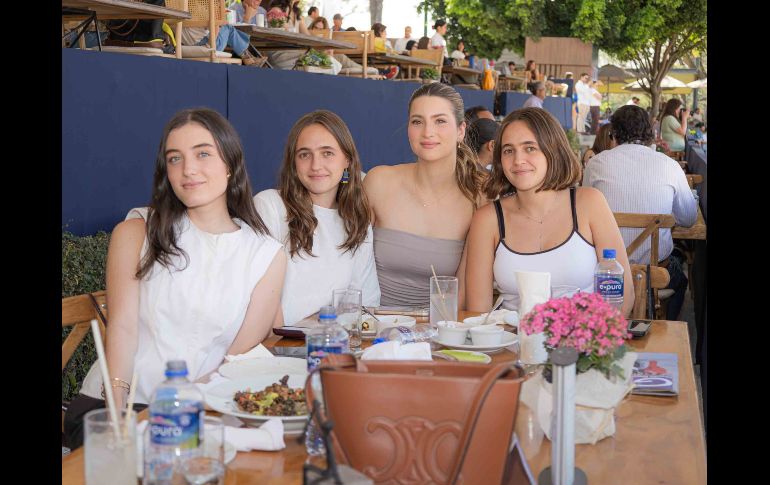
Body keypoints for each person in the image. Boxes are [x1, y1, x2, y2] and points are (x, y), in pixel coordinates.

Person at [63, 108, 287, 449]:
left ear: (230, 164)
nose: (188, 170)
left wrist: (178, 410)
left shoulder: (266, 255)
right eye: (175, 158)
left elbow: (236, 357)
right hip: (117, 405)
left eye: (202, 154)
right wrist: (120, 414)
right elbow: (122, 328)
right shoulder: (136, 233)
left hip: (201, 410)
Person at [465, 107, 634, 315]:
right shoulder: (487, 219)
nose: (518, 160)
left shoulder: (589, 203)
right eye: (508, 150)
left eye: (530, 148)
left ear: (552, 150)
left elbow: (623, 298)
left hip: (583, 341)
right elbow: (477, 312)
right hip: (511, 342)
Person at [363, 83, 485, 308]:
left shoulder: (477, 196)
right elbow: (351, 264)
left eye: (440, 121)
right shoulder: (379, 182)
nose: (427, 132)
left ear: (461, 131)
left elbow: (465, 289)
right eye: (417, 121)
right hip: (372, 328)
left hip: (438, 333)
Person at [254, 110, 380, 326]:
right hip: (277, 347)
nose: (315, 165)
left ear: (347, 160)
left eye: (327, 153)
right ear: (293, 162)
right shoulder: (270, 207)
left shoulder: (356, 222)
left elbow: (365, 305)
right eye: (304, 154)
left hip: (334, 345)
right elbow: (257, 298)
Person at [583, 105, 697, 320]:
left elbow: (584, 212)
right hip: (654, 269)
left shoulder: (596, 164)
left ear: (613, 133)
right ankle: (663, 330)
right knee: (680, 280)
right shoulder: (669, 165)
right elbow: (689, 219)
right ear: (650, 133)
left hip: (606, 270)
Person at [181, 0, 265, 66]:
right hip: (205, 46)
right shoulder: (202, 5)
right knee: (227, 27)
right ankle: (247, 57)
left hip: (183, 46)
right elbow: (215, 27)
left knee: (226, 27)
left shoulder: (177, 4)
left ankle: (248, 57)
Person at [265, 0, 310, 69]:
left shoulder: (297, 14)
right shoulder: (276, 9)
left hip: (295, 51)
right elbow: (278, 34)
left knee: (322, 62)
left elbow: (308, 37)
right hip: (280, 52)